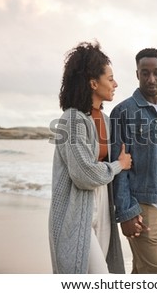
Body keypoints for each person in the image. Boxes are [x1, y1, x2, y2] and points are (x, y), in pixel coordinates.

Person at [49, 41, 132, 274]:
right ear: (93, 83)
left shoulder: (105, 120)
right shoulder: (72, 120)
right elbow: (83, 174)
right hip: (77, 212)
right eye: (110, 78)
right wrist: (119, 165)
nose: (116, 84)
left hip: (103, 205)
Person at [110, 48, 157, 274]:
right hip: (140, 208)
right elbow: (120, 166)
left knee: (141, 273)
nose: (151, 79)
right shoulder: (123, 111)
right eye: (145, 73)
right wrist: (126, 212)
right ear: (137, 74)